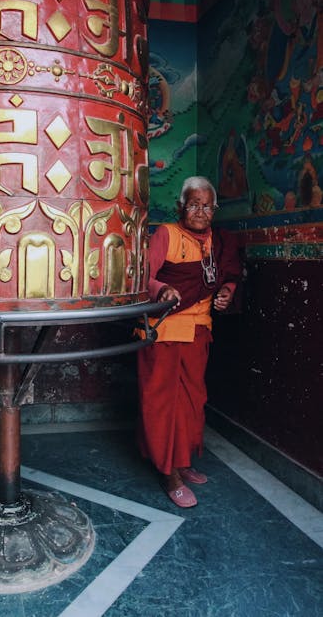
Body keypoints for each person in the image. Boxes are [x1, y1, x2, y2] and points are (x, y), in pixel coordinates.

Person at [138, 176, 240, 508]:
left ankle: (182, 462)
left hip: (198, 331)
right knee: (164, 404)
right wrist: (161, 290)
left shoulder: (219, 241)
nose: (200, 211)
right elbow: (142, 275)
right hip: (164, 331)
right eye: (193, 204)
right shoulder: (166, 234)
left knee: (192, 401)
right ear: (180, 207)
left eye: (207, 205)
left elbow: (227, 277)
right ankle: (169, 473)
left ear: (215, 209)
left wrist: (227, 293)